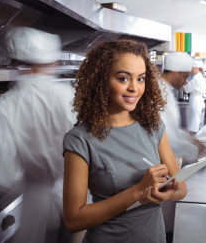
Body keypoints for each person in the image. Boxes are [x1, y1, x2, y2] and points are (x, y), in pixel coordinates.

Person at [62, 40, 187, 243]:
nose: (134, 88)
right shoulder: (80, 140)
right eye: (123, 78)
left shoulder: (153, 126)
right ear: (101, 81)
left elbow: (180, 187)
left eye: (141, 79)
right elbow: (73, 220)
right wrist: (137, 191)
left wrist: (166, 195)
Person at [0, 26, 75, 243]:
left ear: (15, 63)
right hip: (80, 199)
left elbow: (1, 176)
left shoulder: (3, 107)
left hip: (37, 204)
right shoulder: (71, 97)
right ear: (53, 61)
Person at [159, 52, 206, 165]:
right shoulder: (160, 92)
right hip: (158, 158)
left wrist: (192, 141)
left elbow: (171, 129)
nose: (186, 80)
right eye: (185, 76)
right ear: (175, 73)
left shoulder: (165, 88)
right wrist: (194, 150)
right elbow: (164, 135)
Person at [182, 60, 206, 134]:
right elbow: (193, 86)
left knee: (194, 123)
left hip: (195, 102)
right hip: (200, 101)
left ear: (197, 68)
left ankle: (194, 139)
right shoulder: (200, 77)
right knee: (198, 122)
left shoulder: (196, 78)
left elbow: (186, 89)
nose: (190, 69)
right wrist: (185, 81)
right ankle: (198, 138)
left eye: (192, 67)